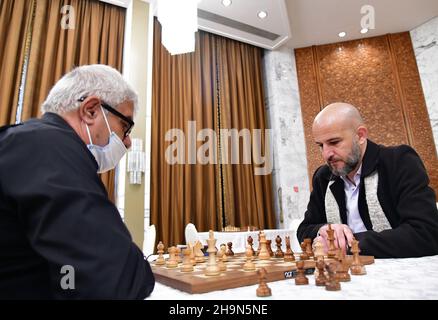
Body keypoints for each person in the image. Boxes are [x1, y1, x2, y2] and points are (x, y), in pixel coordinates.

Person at [0, 65, 155, 299]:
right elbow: (119, 280)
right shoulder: (52, 148)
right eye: (125, 126)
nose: (128, 141)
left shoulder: (22, 139)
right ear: (91, 111)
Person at [297, 102, 438, 258]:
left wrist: (348, 243)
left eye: (334, 142)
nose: (326, 154)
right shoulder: (323, 177)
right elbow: (304, 230)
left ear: (361, 136)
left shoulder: (399, 161)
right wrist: (322, 230)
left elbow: (426, 234)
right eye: (320, 145)